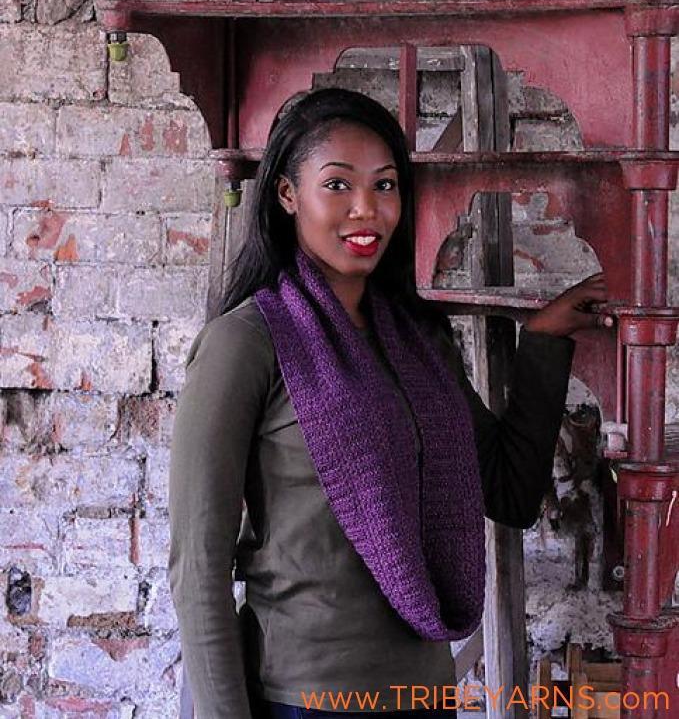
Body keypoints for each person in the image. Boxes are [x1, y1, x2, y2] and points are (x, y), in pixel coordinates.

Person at [168, 88, 611, 719]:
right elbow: (197, 570)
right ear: (288, 194)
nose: (366, 210)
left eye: (384, 185)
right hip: (304, 700)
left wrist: (544, 339)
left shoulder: (418, 343)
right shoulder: (245, 343)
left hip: (425, 693)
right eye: (338, 185)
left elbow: (509, 489)